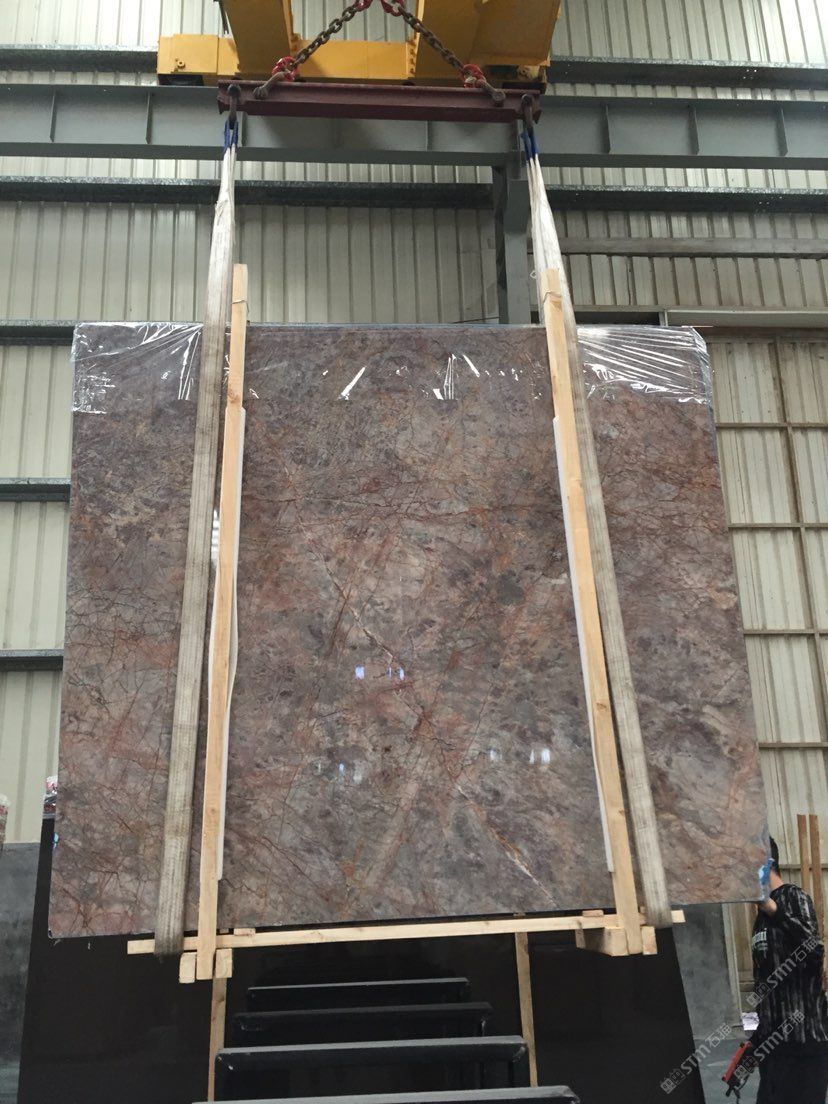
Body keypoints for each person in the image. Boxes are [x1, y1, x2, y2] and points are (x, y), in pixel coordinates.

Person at [751, 835, 828, 1103]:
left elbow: (814, 951)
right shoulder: (761, 914)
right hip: (775, 1047)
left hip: (803, 1044)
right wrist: (758, 1037)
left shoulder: (793, 897)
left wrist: (776, 911)